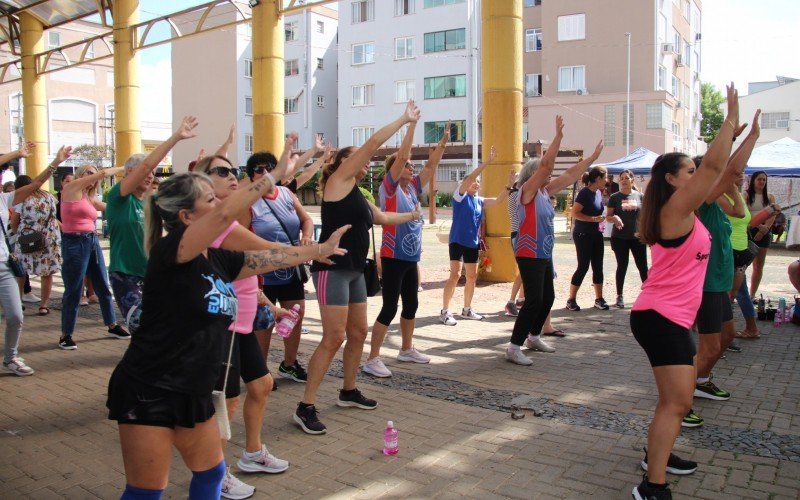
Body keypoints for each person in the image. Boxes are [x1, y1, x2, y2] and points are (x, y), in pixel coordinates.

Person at [106, 166, 350, 499]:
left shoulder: (219, 259)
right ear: (187, 217)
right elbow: (224, 214)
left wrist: (320, 249)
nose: (220, 202)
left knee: (211, 474)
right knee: (147, 491)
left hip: (193, 389)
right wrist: (274, 174)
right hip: (149, 387)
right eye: (210, 199)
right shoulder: (172, 253)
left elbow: (274, 256)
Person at [629, 84, 740, 500]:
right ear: (673, 180)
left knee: (675, 401)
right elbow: (713, 170)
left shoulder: (681, 208)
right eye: (688, 172)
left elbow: (722, 172)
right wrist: (727, 118)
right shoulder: (675, 210)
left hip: (670, 318)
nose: (696, 176)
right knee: (676, 403)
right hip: (660, 318)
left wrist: (740, 136)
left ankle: (658, 453)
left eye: (695, 171)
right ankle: (651, 486)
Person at [294, 101, 422, 435]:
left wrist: (412, 215)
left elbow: (381, 218)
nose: (365, 166)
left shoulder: (359, 194)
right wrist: (404, 120)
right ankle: (305, 405)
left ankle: (348, 390)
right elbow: (373, 145)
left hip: (354, 271)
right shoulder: (338, 180)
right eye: (358, 160)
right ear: (342, 163)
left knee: (357, 333)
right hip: (332, 270)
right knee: (333, 337)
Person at [195, 154, 294, 498]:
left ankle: (252, 454)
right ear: (203, 182)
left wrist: (270, 306)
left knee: (262, 385)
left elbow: (246, 274)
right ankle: (214, 474)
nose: (232, 177)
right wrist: (309, 251)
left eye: (232, 170)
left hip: (246, 318)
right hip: (226, 325)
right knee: (226, 402)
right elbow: (264, 252)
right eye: (221, 172)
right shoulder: (214, 222)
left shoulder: (233, 218)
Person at [506, 116, 603, 365]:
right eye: (542, 174)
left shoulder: (544, 192)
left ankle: (533, 336)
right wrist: (558, 137)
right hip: (528, 251)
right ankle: (514, 346)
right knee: (534, 300)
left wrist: (591, 160)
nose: (548, 177)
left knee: (547, 298)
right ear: (533, 175)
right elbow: (547, 166)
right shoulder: (524, 193)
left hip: (544, 251)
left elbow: (570, 175)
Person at [362, 118, 447, 378]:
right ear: (397, 169)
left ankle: (406, 349)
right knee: (390, 307)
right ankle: (373, 358)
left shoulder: (412, 189)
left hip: (411, 257)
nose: (412, 168)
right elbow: (402, 157)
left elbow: (431, 166)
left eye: (411, 165)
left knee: (412, 304)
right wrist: (410, 127)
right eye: (408, 165)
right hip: (393, 256)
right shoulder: (389, 189)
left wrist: (443, 143)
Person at [106, 116, 198, 332]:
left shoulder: (151, 201)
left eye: (152, 174)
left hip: (153, 272)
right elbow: (148, 163)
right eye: (145, 172)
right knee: (143, 327)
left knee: (164, 325)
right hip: (125, 274)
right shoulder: (118, 198)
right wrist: (176, 137)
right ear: (131, 173)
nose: (150, 176)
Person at [239, 144, 317, 384]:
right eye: (259, 170)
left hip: (290, 271)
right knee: (264, 323)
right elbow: (240, 238)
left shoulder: (286, 194)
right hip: (262, 274)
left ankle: (289, 364)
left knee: (295, 315)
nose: (265, 173)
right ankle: (261, 373)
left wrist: (306, 235)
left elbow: (307, 219)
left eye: (270, 168)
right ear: (251, 175)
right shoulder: (247, 202)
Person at [1, 142, 69, 376]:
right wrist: (17, 154)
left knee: (16, 315)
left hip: (3, 266)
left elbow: (36, 184)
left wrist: (56, 162)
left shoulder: (5, 199)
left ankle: (10, 357)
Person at [57, 165, 128, 350]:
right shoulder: (71, 189)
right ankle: (66, 335)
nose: (92, 175)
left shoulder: (89, 198)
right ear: (81, 175)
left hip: (92, 241)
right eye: (89, 172)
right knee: (74, 289)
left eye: (93, 172)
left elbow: (110, 207)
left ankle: (112, 325)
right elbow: (104, 173)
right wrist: (128, 167)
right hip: (74, 243)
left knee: (103, 286)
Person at [440, 146, 509, 325]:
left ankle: (466, 309)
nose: (476, 183)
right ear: (465, 183)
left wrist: (510, 185)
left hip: (472, 243)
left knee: (472, 277)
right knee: (455, 275)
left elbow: (498, 200)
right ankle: (445, 311)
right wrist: (487, 162)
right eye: (474, 181)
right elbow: (470, 177)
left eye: (478, 181)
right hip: (457, 241)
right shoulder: (459, 196)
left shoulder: (479, 201)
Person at [9, 175, 61, 317]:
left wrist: (19, 235)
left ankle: (18, 302)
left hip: (27, 239)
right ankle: (43, 306)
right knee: (47, 273)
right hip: (48, 239)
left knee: (21, 272)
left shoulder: (21, 199)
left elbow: (14, 223)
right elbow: (53, 217)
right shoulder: (49, 196)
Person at [567, 165, 610, 311]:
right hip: (582, 234)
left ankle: (599, 299)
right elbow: (575, 213)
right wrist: (592, 219)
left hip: (596, 233)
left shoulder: (598, 193)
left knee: (598, 266)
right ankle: (571, 299)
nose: (607, 180)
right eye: (605, 178)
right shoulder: (584, 193)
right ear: (598, 179)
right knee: (583, 266)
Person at [606, 169, 647, 309]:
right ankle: (619, 296)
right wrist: (615, 218)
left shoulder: (640, 196)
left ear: (632, 180)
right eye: (621, 178)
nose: (623, 180)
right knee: (622, 266)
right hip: (620, 238)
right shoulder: (614, 197)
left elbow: (644, 216)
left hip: (637, 238)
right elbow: (608, 217)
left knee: (643, 266)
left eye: (626, 178)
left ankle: (648, 294)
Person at [746, 170, 777, 299]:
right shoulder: (746, 195)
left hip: (765, 231)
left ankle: (752, 294)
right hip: (749, 230)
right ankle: (736, 292)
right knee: (742, 264)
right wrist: (758, 226)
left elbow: (773, 213)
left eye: (764, 179)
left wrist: (765, 228)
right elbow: (745, 214)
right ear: (753, 180)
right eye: (759, 179)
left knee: (758, 266)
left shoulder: (770, 197)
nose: (762, 182)